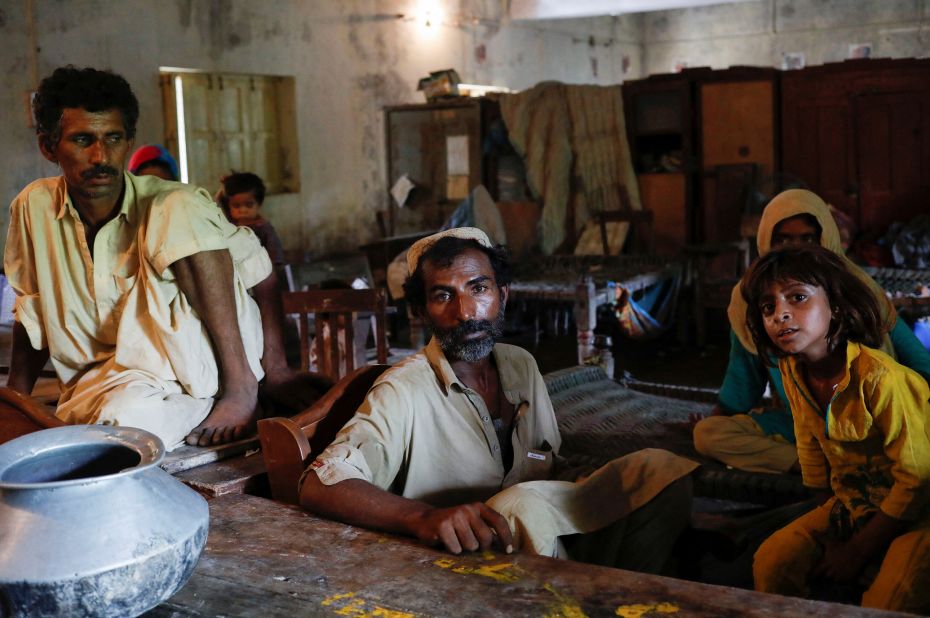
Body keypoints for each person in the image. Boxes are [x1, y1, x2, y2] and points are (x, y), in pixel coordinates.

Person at [299, 227, 697, 571]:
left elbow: (547, 462)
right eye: (443, 296)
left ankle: (615, 594)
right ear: (421, 313)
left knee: (659, 471)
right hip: (459, 563)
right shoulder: (403, 390)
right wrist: (423, 517)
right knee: (520, 506)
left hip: (539, 538)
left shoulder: (521, 366)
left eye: (479, 288)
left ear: (502, 294)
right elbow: (320, 482)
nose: (467, 312)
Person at [4, 66, 325, 449]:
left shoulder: (171, 202)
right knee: (108, 425)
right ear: (48, 147)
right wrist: (16, 402)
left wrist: (276, 370)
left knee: (177, 205)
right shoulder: (32, 206)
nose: (100, 156)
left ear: (129, 142)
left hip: (196, 367)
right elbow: (31, 310)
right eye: (82, 140)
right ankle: (194, 410)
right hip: (103, 381)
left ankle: (242, 391)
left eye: (113, 138)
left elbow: (264, 277)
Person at [742, 245, 930, 612]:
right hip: (853, 505)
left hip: (920, 514)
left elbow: (916, 479)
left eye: (797, 297)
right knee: (772, 561)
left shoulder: (881, 379)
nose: (780, 314)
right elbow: (810, 449)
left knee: (888, 601)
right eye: (768, 307)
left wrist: (858, 551)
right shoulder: (793, 373)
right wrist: (829, 525)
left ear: (837, 308)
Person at [693, 189, 930, 474]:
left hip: (872, 421)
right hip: (803, 427)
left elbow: (919, 365)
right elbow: (741, 387)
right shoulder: (750, 300)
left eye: (808, 238)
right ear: (766, 240)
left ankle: (849, 462)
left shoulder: (859, 290)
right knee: (708, 434)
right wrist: (714, 422)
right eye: (783, 240)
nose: (796, 249)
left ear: (826, 237)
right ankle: (819, 467)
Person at [217, 172, 285, 268]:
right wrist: (225, 186)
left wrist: (273, 273)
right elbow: (219, 202)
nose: (242, 210)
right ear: (229, 206)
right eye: (236, 206)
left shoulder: (264, 228)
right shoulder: (232, 223)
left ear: (259, 204)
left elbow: (276, 257)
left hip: (261, 275)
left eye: (249, 205)